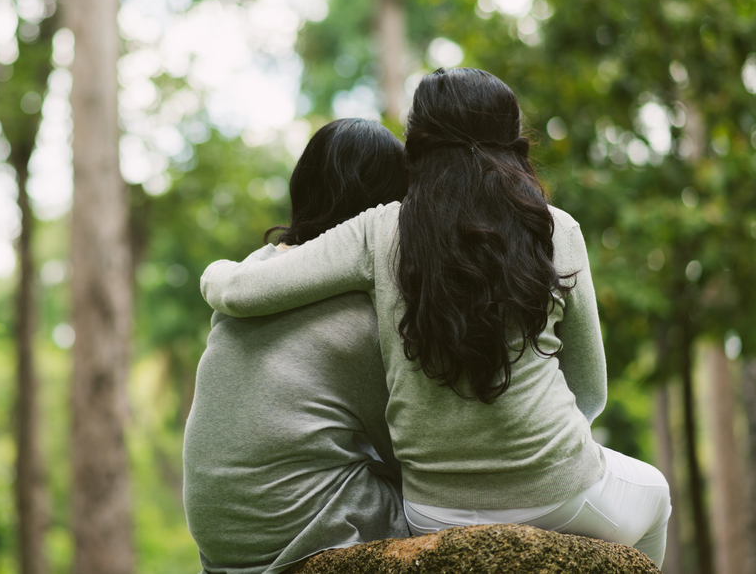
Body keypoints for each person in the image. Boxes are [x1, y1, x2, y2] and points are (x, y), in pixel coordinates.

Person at [200, 68, 671, 566]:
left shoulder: (380, 230)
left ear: (416, 149)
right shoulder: (555, 230)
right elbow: (589, 390)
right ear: (515, 145)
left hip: (431, 510)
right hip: (558, 490)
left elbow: (240, 290)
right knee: (656, 494)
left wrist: (215, 272)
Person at [183, 118, 412, 574]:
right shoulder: (358, 316)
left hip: (221, 545)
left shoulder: (256, 268)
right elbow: (404, 449)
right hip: (301, 537)